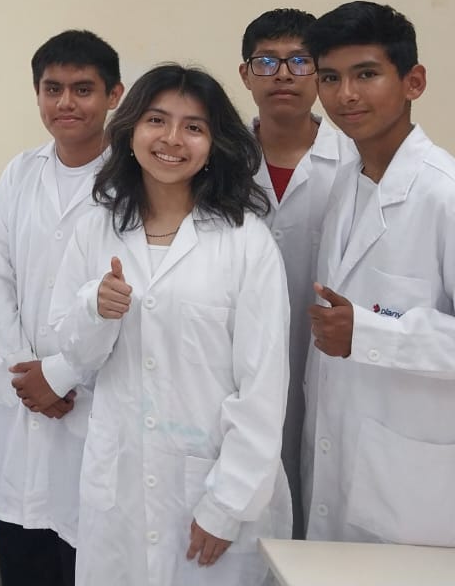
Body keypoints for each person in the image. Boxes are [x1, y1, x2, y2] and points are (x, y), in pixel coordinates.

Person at [51, 64, 290, 586]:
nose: (172, 139)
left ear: (214, 143)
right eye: (157, 120)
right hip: (121, 484)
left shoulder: (246, 241)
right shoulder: (96, 229)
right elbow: (73, 355)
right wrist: (95, 309)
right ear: (131, 129)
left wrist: (227, 504)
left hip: (209, 486)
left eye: (194, 127)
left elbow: (263, 388)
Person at [301, 1, 455, 548]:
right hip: (348, 458)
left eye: (366, 74)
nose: (346, 95)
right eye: (331, 78)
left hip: (422, 491)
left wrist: (373, 334)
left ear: (413, 81)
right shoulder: (348, 181)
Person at [0, 29, 124, 585]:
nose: (66, 103)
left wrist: (62, 376)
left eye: (83, 89)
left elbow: (124, 298)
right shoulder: (20, 173)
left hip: (91, 396)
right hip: (22, 394)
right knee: (23, 551)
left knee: (83, 555)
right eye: (52, 88)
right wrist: (26, 370)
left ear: (113, 95)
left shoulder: (132, 181)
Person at [237, 7, 351, 537]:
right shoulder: (217, 163)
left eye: (299, 61)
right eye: (267, 61)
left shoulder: (354, 162)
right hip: (236, 356)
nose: (283, 74)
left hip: (330, 357)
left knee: (319, 497)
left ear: (320, 73)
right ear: (245, 75)